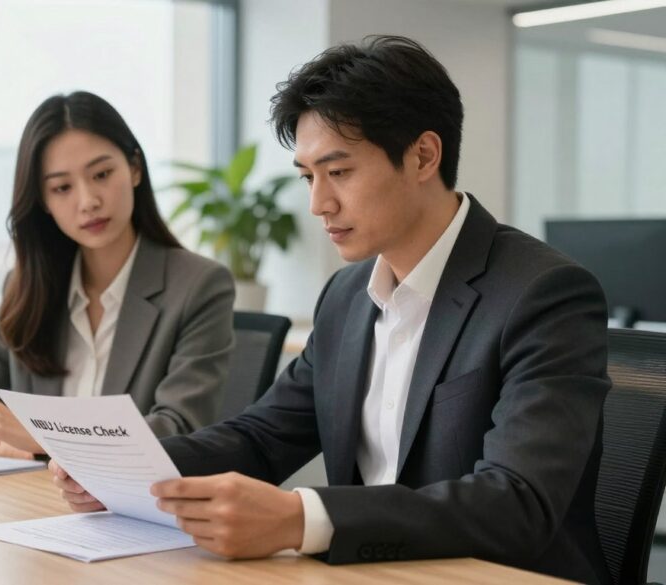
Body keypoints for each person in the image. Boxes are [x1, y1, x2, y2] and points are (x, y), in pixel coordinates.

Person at [51, 36, 610, 584]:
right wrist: (122, 468)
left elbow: (517, 502)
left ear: (423, 155)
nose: (319, 204)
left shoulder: (543, 294)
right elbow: (263, 437)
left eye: (338, 172)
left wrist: (301, 518)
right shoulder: (346, 296)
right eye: (308, 177)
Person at [0, 91, 235, 460]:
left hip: (137, 508)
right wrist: (0, 441)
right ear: (44, 201)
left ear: (135, 169)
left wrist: (43, 438)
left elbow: (178, 429)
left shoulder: (199, 286)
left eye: (102, 174)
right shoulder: (28, 286)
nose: (88, 200)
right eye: (62, 187)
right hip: (34, 501)